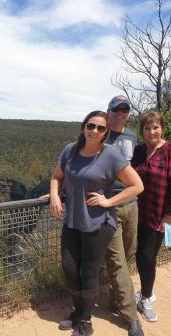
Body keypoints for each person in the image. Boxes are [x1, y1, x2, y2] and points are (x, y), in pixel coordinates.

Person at [49, 111, 143, 336]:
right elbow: (56, 177)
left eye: (101, 128)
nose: (95, 131)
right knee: (71, 268)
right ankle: (78, 311)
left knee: (88, 270)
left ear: (106, 132)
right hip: (72, 220)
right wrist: (54, 195)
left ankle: (85, 321)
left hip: (99, 222)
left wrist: (108, 200)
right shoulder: (70, 150)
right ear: (84, 127)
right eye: (91, 126)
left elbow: (137, 185)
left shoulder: (110, 155)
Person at [104, 95, 145, 336]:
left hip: (132, 202)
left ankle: (115, 297)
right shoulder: (99, 133)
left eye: (124, 109)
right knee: (117, 260)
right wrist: (57, 191)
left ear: (129, 113)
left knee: (129, 252)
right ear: (108, 111)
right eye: (116, 109)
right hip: (109, 205)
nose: (120, 113)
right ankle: (131, 317)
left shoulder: (131, 136)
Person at [131, 110, 171, 322]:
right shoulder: (138, 151)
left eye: (155, 127)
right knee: (140, 255)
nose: (152, 131)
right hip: (135, 212)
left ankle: (145, 297)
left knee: (147, 257)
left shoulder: (169, 151)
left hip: (157, 215)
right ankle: (146, 291)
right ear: (142, 131)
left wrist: (168, 216)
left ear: (162, 128)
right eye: (147, 127)